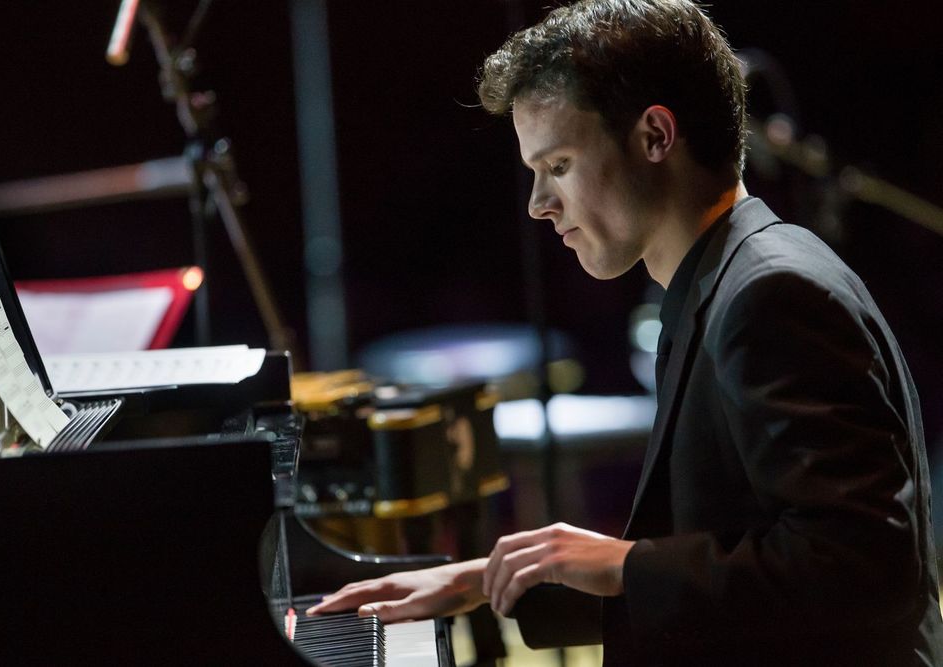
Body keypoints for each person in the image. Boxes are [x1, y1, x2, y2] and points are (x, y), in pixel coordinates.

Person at [307, 0, 943, 663]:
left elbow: (862, 569)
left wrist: (622, 562)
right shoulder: (720, 280)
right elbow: (743, 565)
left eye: (557, 165)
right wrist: (491, 579)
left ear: (655, 136)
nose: (539, 203)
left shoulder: (770, 294)